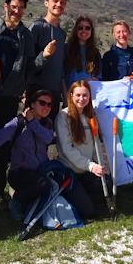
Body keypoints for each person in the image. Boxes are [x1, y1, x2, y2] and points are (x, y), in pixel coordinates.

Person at [0, 0, 35, 210]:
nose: (16, 11)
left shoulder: (26, 35)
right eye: (13, 7)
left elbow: (29, 66)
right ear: (6, 6)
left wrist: (26, 88)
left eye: (20, 8)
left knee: (3, 145)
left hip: (9, 96)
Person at [0, 90, 55, 219]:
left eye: (49, 104)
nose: (46, 107)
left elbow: (48, 138)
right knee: (44, 184)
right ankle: (16, 201)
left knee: (51, 184)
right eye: (42, 103)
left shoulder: (47, 123)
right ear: (32, 104)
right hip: (20, 173)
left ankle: (26, 202)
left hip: (40, 170)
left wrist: (32, 122)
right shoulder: (18, 123)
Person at [101, 20, 133, 197]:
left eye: (124, 31)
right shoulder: (108, 56)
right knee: (116, 142)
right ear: (114, 35)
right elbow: (104, 82)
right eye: (118, 32)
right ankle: (117, 179)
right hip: (116, 106)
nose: (122, 35)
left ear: (128, 32)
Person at [55, 81, 107, 219]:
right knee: (88, 211)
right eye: (78, 95)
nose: (81, 99)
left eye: (85, 95)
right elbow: (67, 149)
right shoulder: (63, 117)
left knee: (107, 187)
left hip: (87, 170)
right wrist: (90, 165)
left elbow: (96, 143)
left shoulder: (90, 116)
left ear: (89, 97)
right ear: (71, 95)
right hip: (71, 172)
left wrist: (99, 163)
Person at [27, 0, 67, 120]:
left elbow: (59, 67)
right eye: (55, 1)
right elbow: (27, 62)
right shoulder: (37, 28)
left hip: (54, 94)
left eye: (62, 2)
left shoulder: (62, 34)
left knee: (48, 135)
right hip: (37, 92)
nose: (58, 5)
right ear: (46, 3)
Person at [64, 16, 102, 87]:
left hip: (88, 94)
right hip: (70, 93)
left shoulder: (95, 52)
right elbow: (61, 76)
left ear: (91, 31)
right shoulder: (66, 49)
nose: (84, 30)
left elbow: (98, 76)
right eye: (80, 28)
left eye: (87, 28)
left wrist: (90, 81)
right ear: (76, 30)